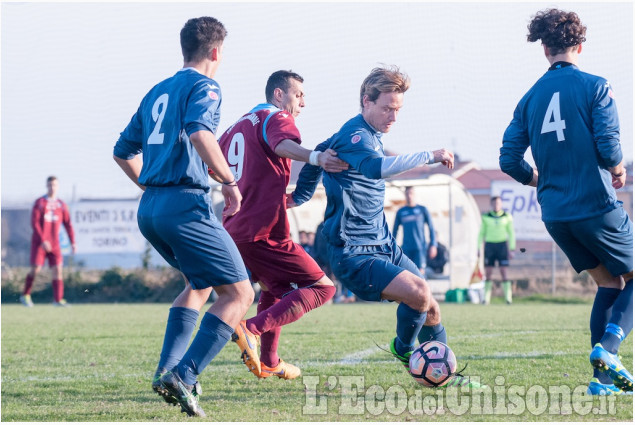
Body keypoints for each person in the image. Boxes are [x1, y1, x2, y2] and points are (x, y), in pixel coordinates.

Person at [290, 66, 483, 388]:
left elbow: (316, 155)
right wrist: (429, 155)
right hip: (353, 252)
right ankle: (404, 349)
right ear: (366, 101)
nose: (393, 116)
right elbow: (376, 168)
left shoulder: (371, 136)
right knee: (420, 294)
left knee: (431, 307)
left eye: (397, 110)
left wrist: (303, 190)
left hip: (384, 245)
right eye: (386, 108)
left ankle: (445, 375)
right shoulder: (356, 135)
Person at [113, 17, 255, 417]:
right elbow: (200, 133)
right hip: (185, 205)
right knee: (240, 294)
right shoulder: (205, 85)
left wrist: (151, 186)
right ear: (215, 51)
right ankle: (185, 375)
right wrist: (228, 180)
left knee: (199, 284)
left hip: (153, 208)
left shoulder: (157, 90)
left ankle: (166, 371)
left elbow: (122, 151)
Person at [500, 8, 633, 395]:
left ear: (545, 49)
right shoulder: (596, 85)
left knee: (609, 282)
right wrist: (618, 168)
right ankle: (608, 350)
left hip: (556, 214)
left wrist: (538, 179)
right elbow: (609, 146)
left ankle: (602, 382)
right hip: (595, 204)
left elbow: (509, 160)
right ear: (579, 45)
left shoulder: (528, 99)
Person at [217, 70, 346, 380]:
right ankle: (249, 328)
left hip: (233, 226)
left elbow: (215, 165)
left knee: (275, 290)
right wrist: (316, 157)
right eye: (298, 94)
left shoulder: (237, 125)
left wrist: (258, 188)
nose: (303, 102)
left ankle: (270, 361)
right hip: (262, 229)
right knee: (322, 288)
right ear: (278, 95)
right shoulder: (277, 118)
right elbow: (281, 145)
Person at [20, 176, 76, 307]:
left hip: (55, 243)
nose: (52, 187)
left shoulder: (61, 205)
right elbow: (34, 223)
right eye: (50, 185)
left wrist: (73, 242)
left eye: (55, 185)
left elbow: (68, 224)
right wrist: (43, 240)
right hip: (40, 243)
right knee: (36, 269)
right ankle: (25, 295)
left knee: (58, 269)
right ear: (47, 186)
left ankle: (58, 300)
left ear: (58, 186)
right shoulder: (40, 203)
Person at [477, 196, 516, 304]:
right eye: (494, 203)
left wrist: (512, 249)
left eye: (498, 203)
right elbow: (481, 233)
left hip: (502, 246)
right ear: (491, 204)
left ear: (501, 204)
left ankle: (508, 298)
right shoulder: (486, 217)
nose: (496, 205)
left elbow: (511, 233)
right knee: (488, 272)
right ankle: (486, 299)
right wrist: (478, 247)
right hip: (489, 246)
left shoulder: (507, 216)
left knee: (504, 271)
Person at [392, 186, 437, 276]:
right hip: (406, 248)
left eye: (411, 193)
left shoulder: (422, 210)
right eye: (407, 193)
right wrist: (392, 247)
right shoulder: (401, 211)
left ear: (415, 195)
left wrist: (433, 245)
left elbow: (431, 228)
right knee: (407, 275)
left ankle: (423, 290)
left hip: (420, 248)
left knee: (420, 274)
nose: (409, 196)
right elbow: (395, 231)